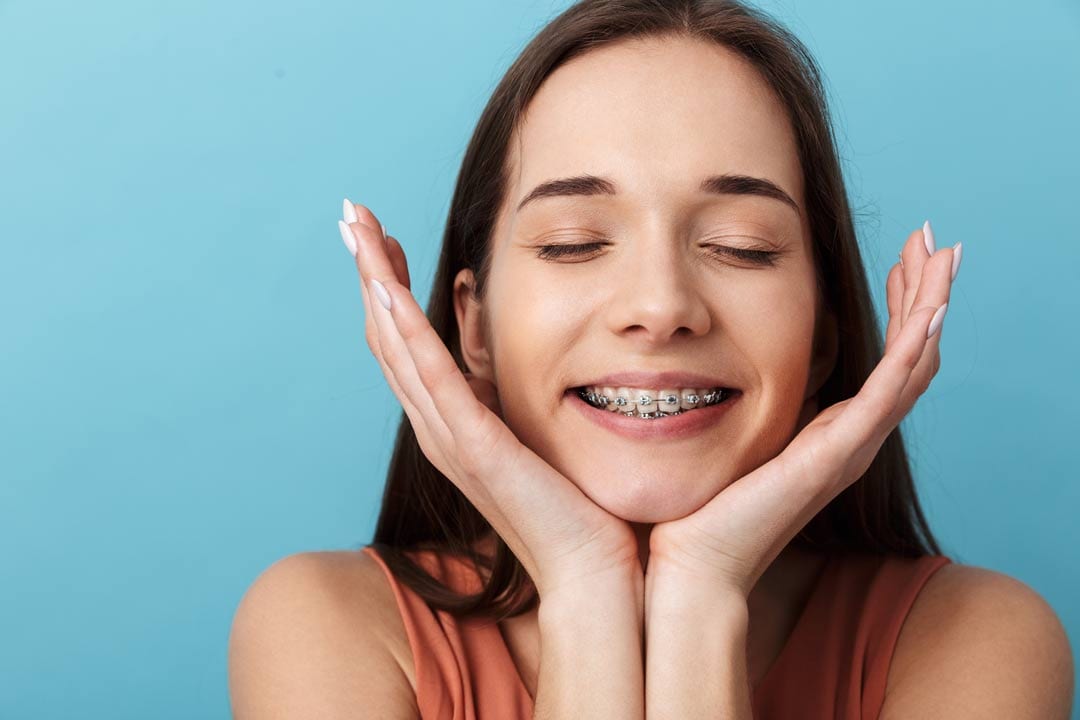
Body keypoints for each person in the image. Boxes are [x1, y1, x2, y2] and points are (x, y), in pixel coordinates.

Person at [227, 1, 1074, 717]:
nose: (661, 306)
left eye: (741, 247)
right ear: (471, 330)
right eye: (574, 243)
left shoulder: (977, 641)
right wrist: (585, 585)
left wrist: (701, 596)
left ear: (824, 331)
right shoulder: (327, 627)